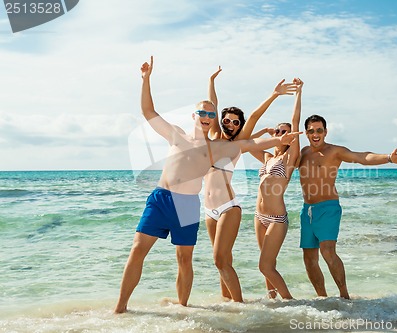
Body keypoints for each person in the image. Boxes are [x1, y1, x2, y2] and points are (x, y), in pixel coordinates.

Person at [114, 57, 300, 313]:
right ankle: (120, 309)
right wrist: (146, 80)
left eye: (211, 115)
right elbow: (149, 112)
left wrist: (279, 139)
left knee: (188, 260)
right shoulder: (177, 134)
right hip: (162, 198)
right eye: (203, 112)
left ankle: (188, 308)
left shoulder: (218, 148)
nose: (207, 116)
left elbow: (251, 144)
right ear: (195, 115)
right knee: (137, 251)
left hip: (191, 204)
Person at [203, 67, 297, 302]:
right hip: (207, 209)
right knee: (222, 262)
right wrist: (211, 81)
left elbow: (254, 116)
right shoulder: (213, 135)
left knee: (220, 259)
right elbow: (212, 105)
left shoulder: (238, 143)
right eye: (227, 119)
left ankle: (239, 305)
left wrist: (274, 94)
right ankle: (227, 302)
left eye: (236, 122)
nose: (231, 123)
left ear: (240, 125)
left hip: (227, 205)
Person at [298, 114, 397, 300]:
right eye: (311, 131)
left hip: (328, 207)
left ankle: (344, 297)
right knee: (309, 259)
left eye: (319, 130)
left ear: (325, 132)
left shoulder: (335, 151)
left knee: (327, 251)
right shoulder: (303, 152)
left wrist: (389, 158)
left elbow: (362, 157)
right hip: (307, 210)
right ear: (306, 133)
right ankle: (323, 299)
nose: (315, 134)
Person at [251, 78, 303, 300]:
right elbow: (245, 141)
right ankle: (272, 302)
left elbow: (296, 121)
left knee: (265, 266)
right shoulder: (267, 156)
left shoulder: (289, 159)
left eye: (285, 131)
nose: (281, 133)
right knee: (266, 264)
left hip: (276, 219)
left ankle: (290, 303)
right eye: (279, 131)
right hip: (258, 215)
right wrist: (265, 131)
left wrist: (299, 93)